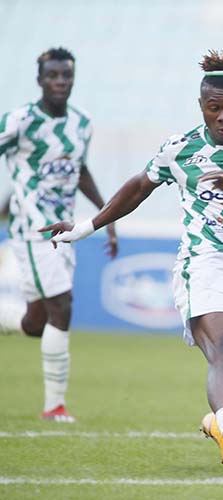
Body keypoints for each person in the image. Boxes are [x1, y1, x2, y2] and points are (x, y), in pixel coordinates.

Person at [41, 50, 223, 476]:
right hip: (203, 263)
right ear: (201, 107)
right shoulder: (181, 150)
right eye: (214, 108)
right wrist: (88, 226)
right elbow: (140, 185)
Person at [0, 47, 117, 423]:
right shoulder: (20, 121)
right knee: (62, 305)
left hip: (66, 230)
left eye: (66, 75)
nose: (60, 82)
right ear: (40, 80)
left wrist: (106, 215)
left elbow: (79, 171)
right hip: (31, 229)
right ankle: (55, 407)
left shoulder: (81, 124)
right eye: (53, 76)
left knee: (36, 323)